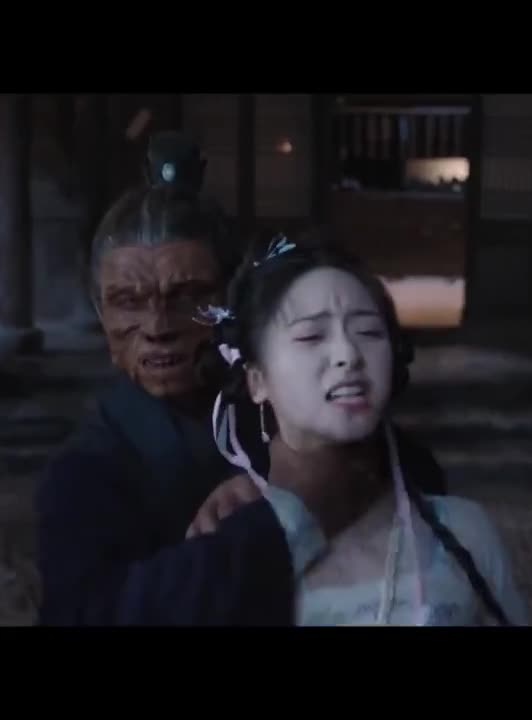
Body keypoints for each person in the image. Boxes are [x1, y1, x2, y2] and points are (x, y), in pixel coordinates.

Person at [34, 131, 447, 626]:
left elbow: (421, 483)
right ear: (101, 314)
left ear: (232, 301)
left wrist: (341, 462)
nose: (158, 327)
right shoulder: (85, 472)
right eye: (128, 302)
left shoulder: (284, 406)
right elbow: (92, 614)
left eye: (190, 296)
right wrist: (293, 511)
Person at [190, 234, 527, 625]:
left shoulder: (465, 533)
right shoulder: (230, 539)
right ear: (257, 379)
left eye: (368, 332)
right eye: (311, 336)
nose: (348, 355)